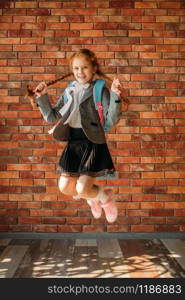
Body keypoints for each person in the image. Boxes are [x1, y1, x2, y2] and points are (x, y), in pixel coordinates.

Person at [32, 49, 126, 223]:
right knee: (65, 187)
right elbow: (53, 117)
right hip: (74, 143)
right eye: (76, 68)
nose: (80, 72)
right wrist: (42, 97)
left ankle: (106, 199)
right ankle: (93, 197)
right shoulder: (70, 89)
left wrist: (115, 96)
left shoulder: (99, 89)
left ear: (93, 68)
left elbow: (111, 119)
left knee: (82, 188)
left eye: (84, 67)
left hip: (92, 142)